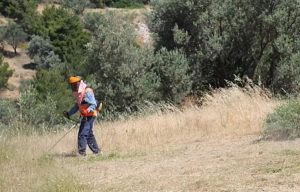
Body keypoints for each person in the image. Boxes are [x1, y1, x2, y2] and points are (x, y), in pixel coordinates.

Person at [63, 76, 101, 156]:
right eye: (71, 85)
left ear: (79, 83)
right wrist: (69, 113)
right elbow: (78, 106)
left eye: (74, 84)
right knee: (88, 133)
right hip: (85, 115)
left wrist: (87, 111)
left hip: (90, 115)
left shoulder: (87, 91)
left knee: (83, 133)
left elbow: (93, 104)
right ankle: (97, 152)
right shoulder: (78, 93)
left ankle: (82, 153)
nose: (72, 86)